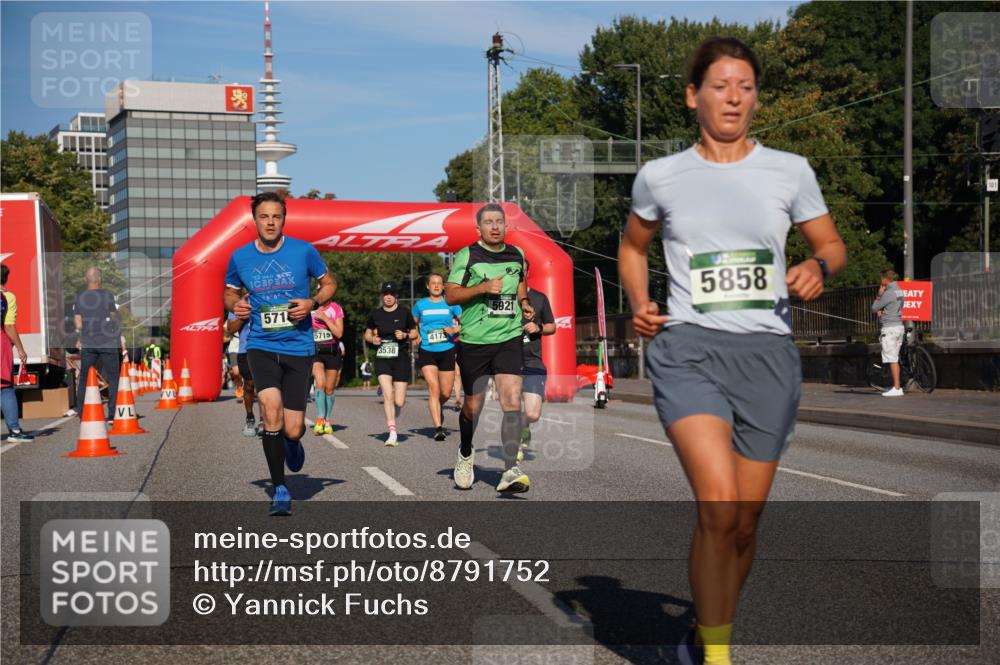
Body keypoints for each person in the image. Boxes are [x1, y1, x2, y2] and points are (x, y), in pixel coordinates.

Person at [618, 37, 846, 665]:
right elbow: (633, 247)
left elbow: (832, 244)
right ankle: (715, 658)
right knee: (719, 509)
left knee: (744, 524)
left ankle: (703, 629)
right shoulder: (661, 176)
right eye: (720, 86)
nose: (734, 98)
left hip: (768, 356)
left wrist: (818, 267)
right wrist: (639, 302)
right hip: (688, 350)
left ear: (756, 99)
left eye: (745, 87)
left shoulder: (790, 171)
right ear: (693, 96)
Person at [224, 191, 336, 516]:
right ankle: (280, 489)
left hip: (299, 347)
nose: (270, 222)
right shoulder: (240, 257)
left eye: (276, 216)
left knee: (293, 428)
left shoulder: (304, 251)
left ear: (284, 219)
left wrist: (312, 302)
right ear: (255, 220)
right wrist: (236, 305)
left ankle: (292, 440)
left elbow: (330, 284)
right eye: (264, 216)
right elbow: (229, 292)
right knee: (270, 410)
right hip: (261, 345)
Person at [445, 203, 534, 493]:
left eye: (499, 222)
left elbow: (520, 284)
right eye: (488, 222)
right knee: (473, 406)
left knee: (512, 400)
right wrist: (482, 288)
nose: (495, 227)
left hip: (508, 337)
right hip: (475, 341)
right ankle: (465, 452)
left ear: (506, 226)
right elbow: (450, 295)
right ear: (478, 228)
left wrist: (524, 303)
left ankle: (510, 470)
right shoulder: (468, 255)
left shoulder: (517, 254)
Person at [364, 282, 417, 446]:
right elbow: (367, 334)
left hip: (401, 358)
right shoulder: (376, 314)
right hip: (382, 357)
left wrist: (405, 335)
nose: (388, 297)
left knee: (399, 402)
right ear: (382, 296)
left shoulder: (404, 312)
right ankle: (392, 432)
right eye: (386, 294)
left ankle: (393, 409)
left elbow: (414, 333)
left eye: (391, 294)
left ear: (396, 296)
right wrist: (372, 339)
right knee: (388, 395)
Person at [412, 273, 463, 441]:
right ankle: (438, 428)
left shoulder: (451, 303)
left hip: (447, 349)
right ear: (427, 286)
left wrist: (455, 329)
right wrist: (416, 335)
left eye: (439, 283)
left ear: (444, 286)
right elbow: (412, 324)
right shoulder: (420, 305)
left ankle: (438, 405)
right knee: (433, 388)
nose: (436, 286)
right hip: (427, 350)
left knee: (446, 392)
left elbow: (466, 322)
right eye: (433, 283)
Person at [73, 268, 125, 423]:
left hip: (88, 342)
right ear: (99, 280)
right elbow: (114, 317)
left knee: (84, 377)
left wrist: (80, 336)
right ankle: (112, 414)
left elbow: (78, 322)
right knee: (113, 378)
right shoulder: (107, 295)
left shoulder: (79, 298)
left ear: (85, 280)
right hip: (107, 341)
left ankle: (82, 413)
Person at [517, 286, 556, 462]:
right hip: (508, 360)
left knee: (532, 414)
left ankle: (524, 424)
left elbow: (552, 326)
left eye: (522, 272)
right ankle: (514, 450)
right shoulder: (502, 296)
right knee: (511, 408)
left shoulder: (539, 298)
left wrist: (538, 327)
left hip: (532, 361)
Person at [1, 265, 33, 443]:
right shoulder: (7, 297)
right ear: (6, 278)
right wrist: (21, 349)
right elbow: (8, 326)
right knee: (5, 388)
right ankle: (14, 430)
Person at [311, 280, 345, 435]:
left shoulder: (336, 309)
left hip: (332, 352)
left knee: (329, 389)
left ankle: (327, 420)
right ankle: (319, 419)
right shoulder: (311, 308)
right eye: (320, 291)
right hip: (316, 352)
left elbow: (339, 333)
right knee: (320, 383)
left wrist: (325, 318)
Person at [225, 307, 259, 437]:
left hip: (267, 349)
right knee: (249, 386)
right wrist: (244, 316)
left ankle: (264, 421)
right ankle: (250, 418)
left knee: (265, 386)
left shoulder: (269, 298)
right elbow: (230, 328)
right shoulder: (238, 305)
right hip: (245, 349)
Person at [872, 269, 906, 397]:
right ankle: (896, 386)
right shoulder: (898, 290)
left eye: (881, 279)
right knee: (895, 358)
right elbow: (894, 306)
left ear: (885, 279)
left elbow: (874, 308)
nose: (880, 281)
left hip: (889, 328)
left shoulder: (888, 292)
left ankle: (897, 388)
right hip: (898, 326)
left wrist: (879, 295)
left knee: (892, 359)